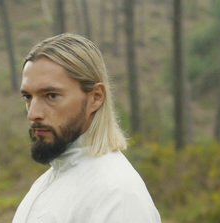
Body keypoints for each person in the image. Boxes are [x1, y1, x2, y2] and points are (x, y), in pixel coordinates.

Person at [13, 33, 161, 223]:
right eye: (28, 97)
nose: (32, 114)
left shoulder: (117, 195)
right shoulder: (45, 184)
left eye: (51, 95)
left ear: (96, 97)